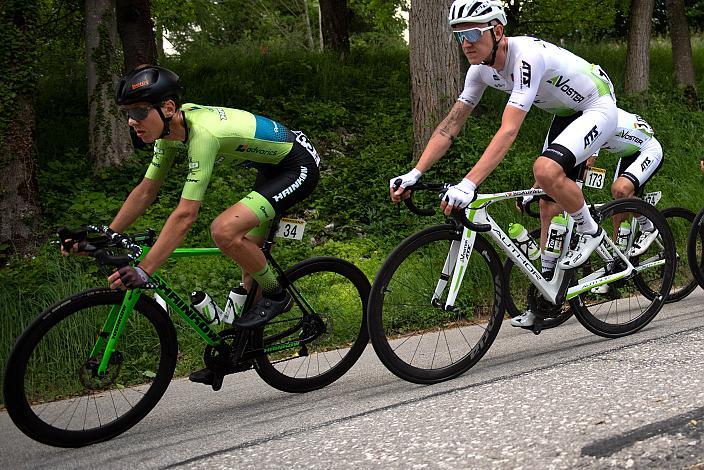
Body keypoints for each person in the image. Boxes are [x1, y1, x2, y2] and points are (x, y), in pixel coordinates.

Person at [64, 65, 321, 384]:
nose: (132, 121)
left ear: (168, 107)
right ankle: (239, 353)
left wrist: (145, 268)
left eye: (140, 111)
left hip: (297, 165)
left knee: (224, 231)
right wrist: (107, 235)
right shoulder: (168, 134)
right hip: (270, 166)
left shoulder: (203, 135)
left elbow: (186, 215)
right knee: (249, 257)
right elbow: (146, 191)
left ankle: (277, 294)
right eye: (128, 114)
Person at [390, 0, 618, 282]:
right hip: (566, 112)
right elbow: (449, 127)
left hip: (597, 106)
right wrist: (415, 173)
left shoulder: (526, 57)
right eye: (460, 36)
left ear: (497, 31)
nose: (466, 44)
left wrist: (469, 183)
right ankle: (549, 288)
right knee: (547, 201)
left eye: (472, 34)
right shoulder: (479, 71)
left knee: (545, 170)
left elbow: (509, 130)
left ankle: (590, 231)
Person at [511, 108, 664, 325]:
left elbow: (586, 162)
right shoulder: (563, 118)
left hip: (647, 149)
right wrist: (531, 193)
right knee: (549, 204)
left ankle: (650, 225)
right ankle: (547, 289)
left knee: (620, 191)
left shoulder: (594, 116)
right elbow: (549, 168)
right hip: (626, 151)